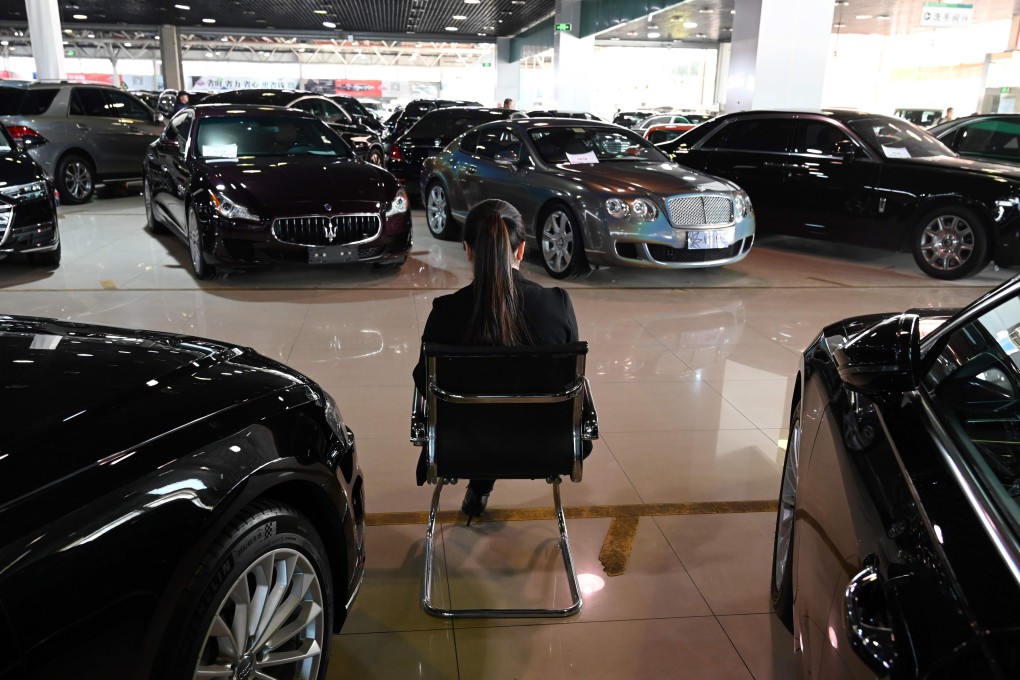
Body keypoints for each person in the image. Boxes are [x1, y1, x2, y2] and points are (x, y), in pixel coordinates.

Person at [412, 199, 582, 522]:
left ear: (467, 250)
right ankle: (481, 486)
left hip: (461, 447)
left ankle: (480, 485)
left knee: (487, 413)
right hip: (545, 446)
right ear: (521, 250)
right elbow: (569, 379)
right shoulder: (556, 306)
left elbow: (425, 383)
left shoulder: (446, 313)